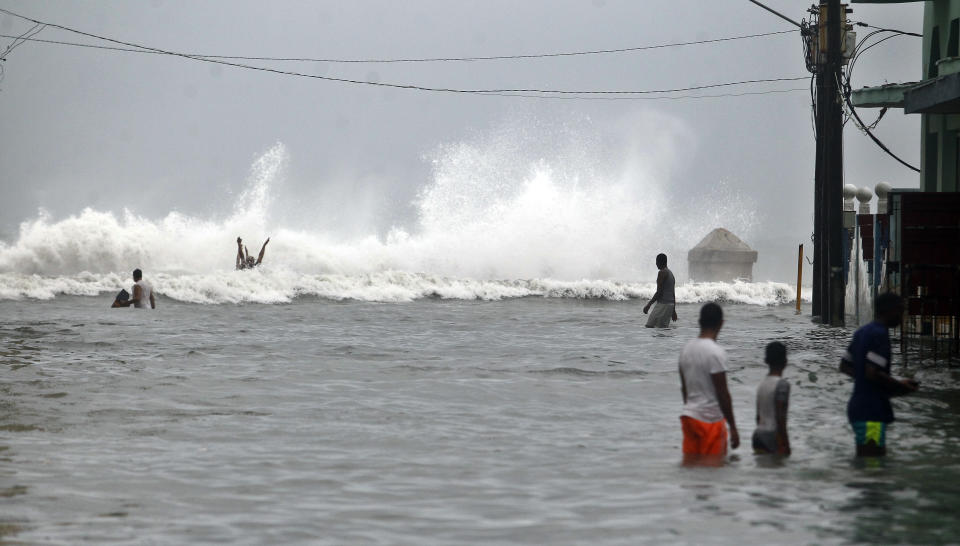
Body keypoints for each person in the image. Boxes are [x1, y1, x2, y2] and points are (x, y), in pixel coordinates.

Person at [839, 292, 918, 457]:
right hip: (871, 411)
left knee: (868, 462)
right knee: (872, 465)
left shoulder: (862, 332)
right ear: (888, 310)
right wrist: (900, 386)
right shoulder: (880, 334)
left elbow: (845, 366)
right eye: (899, 311)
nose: (901, 316)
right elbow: (872, 373)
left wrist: (864, 379)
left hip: (857, 407)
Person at [678, 302, 739, 461]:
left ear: (699, 322)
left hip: (689, 418)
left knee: (691, 466)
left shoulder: (686, 350)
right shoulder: (716, 352)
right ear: (721, 323)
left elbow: (685, 390)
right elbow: (723, 393)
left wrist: (690, 408)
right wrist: (733, 427)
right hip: (710, 422)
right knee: (712, 470)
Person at [753, 342, 791, 456]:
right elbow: (780, 416)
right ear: (785, 362)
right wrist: (786, 442)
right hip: (772, 436)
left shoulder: (762, 384)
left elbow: (758, 417)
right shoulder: (782, 385)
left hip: (758, 436)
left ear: (766, 361)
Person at [643, 253, 677, 328]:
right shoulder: (671, 273)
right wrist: (673, 310)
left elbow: (659, 292)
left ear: (659, 262)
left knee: (649, 326)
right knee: (662, 330)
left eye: (656, 262)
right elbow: (673, 293)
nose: (656, 264)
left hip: (663, 305)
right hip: (670, 306)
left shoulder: (662, 272)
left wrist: (648, 305)